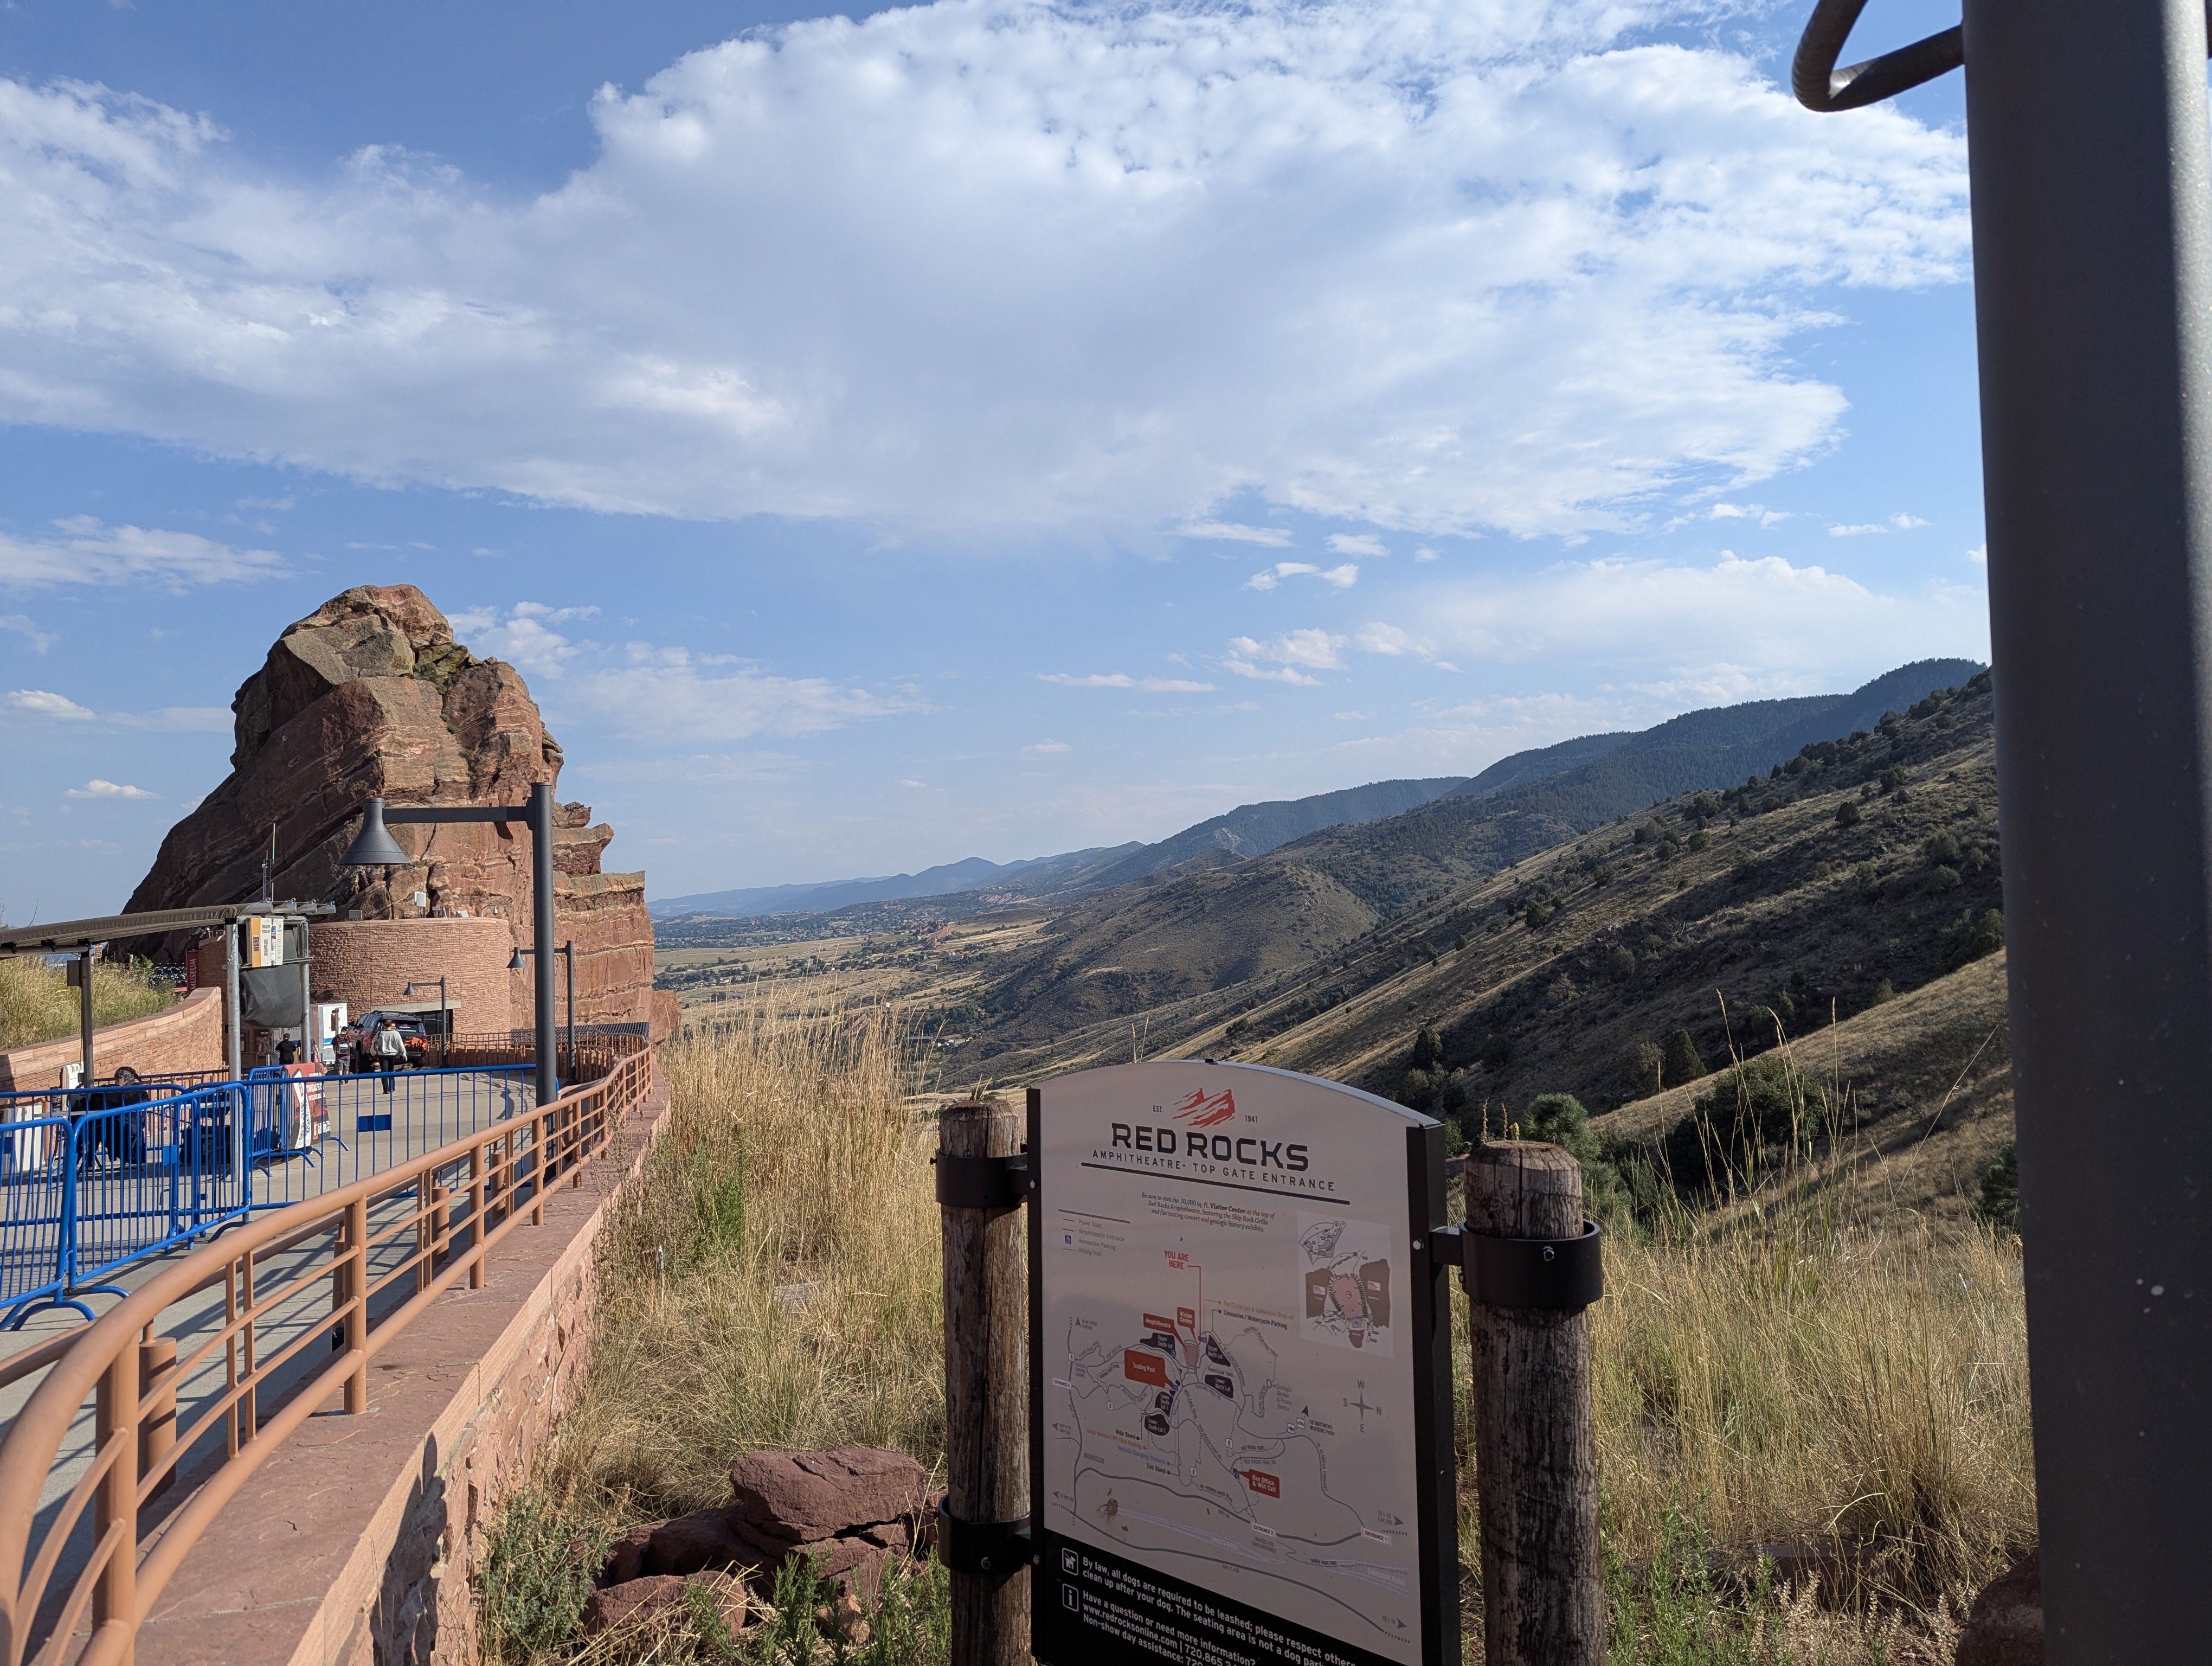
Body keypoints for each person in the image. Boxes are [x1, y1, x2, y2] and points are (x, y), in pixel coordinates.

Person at [372, 1017, 409, 1094]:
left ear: (384, 1026)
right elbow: (400, 1045)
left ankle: (386, 1090)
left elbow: (373, 1043)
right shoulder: (396, 1033)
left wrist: (373, 1052)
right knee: (391, 1070)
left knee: (384, 1072)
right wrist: (404, 1054)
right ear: (391, 1025)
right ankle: (392, 1088)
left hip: (382, 1055)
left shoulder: (380, 1033)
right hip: (393, 1055)